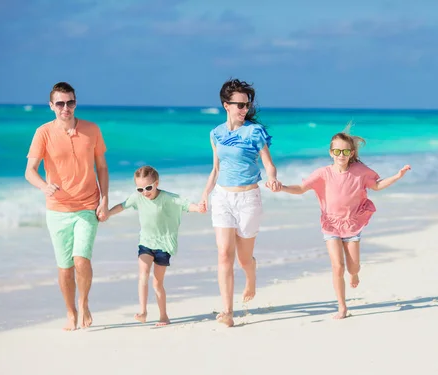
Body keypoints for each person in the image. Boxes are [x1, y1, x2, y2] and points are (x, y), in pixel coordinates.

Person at [278, 126, 411, 319]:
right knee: (337, 266)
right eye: (337, 151)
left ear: (352, 153)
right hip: (331, 225)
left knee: (353, 266)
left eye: (346, 151)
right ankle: (342, 307)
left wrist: (397, 176)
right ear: (331, 153)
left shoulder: (360, 171)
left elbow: (377, 185)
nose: (341, 155)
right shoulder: (323, 173)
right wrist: (281, 187)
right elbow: (300, 188)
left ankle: (355, 274)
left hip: (352, 224)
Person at [25, 81, 109, 331]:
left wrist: (104, 199)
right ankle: (70, 312)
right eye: (60, 103)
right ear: (51, 106)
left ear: (75, 103)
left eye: (70, 102)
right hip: (58, 209)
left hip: (87, 205)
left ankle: (83, 304)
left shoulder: (91, 129)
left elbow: (102, 167)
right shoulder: (43, 133)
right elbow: (30, 171)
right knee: (65, 267)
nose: (65, 107)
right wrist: (43, 186)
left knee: (81, 260)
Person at [199, 78, 282, 327]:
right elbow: (215, 168)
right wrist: (205, 195)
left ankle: (251, 275)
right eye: (239, 105)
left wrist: (273, 179)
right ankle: (227, 311)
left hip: (248, 199)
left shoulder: (254, 132)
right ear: (226, 105)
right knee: (224, 253)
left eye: (247, 105)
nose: (244, 109)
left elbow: (269, 164)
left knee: (244, 259)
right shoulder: (216, 133)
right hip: (223, 197)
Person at [108, 166, 205, 326]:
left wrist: (198, 208)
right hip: (146, 242)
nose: (145, 192)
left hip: (164, 245)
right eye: (140, 189)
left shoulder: (167, 198)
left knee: (157, 283)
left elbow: (185, 205)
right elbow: (122, 205)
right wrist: (108, 213)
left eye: (148, 187)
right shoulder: (137, 197)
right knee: (143, 274)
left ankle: (163, 316)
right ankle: (143, 311)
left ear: (156, 183)